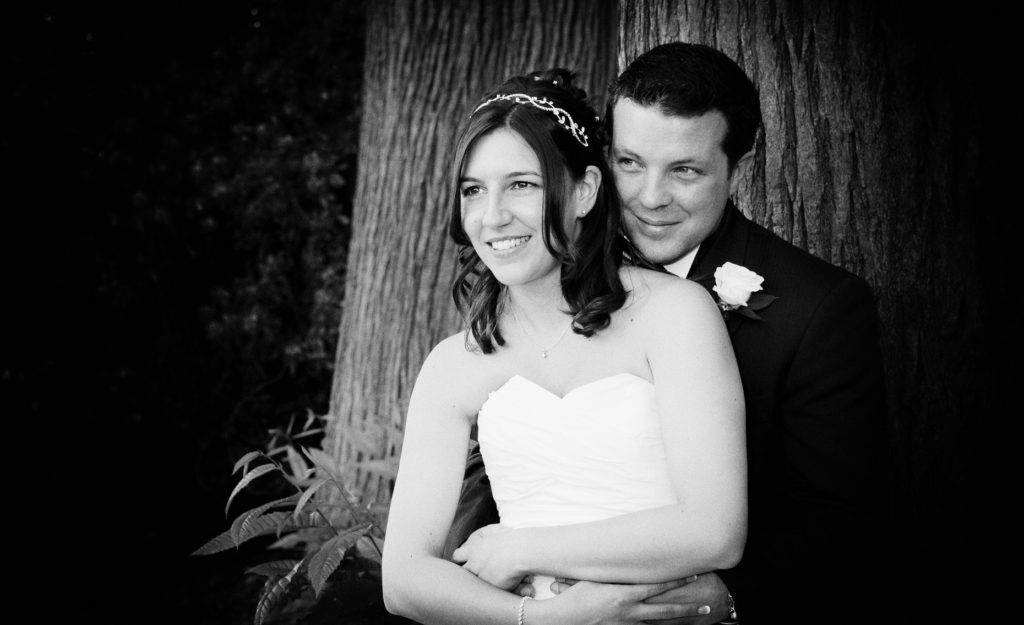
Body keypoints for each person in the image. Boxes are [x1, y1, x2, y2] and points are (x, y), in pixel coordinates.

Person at [446, 44, 888, 624]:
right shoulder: (544, 265)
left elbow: (841, 513)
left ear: (739, 167)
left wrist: (726, 599)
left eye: (685, 170)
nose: (650, 198)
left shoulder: (819, 308)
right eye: (630, 163)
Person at [381, 68, 748, 625]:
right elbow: (403, 579)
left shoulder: (673, 315)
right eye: (473, 190)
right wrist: (541, 619)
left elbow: (714, 531)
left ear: (585, 191)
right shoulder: (452, 366)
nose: (493, 215)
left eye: (522, 184)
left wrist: (522, 547)